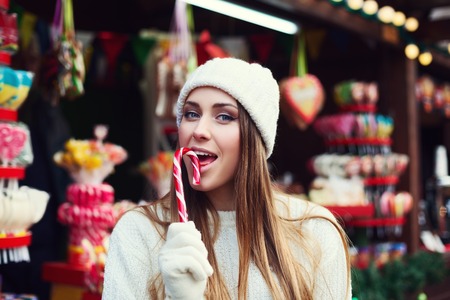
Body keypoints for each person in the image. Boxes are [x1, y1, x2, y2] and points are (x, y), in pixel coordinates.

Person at [102, 57, 352, 299]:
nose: (199, 131)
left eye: (224, 116)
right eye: (191, 114)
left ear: (256, 137)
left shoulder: (314, 231)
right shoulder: (140, 232)